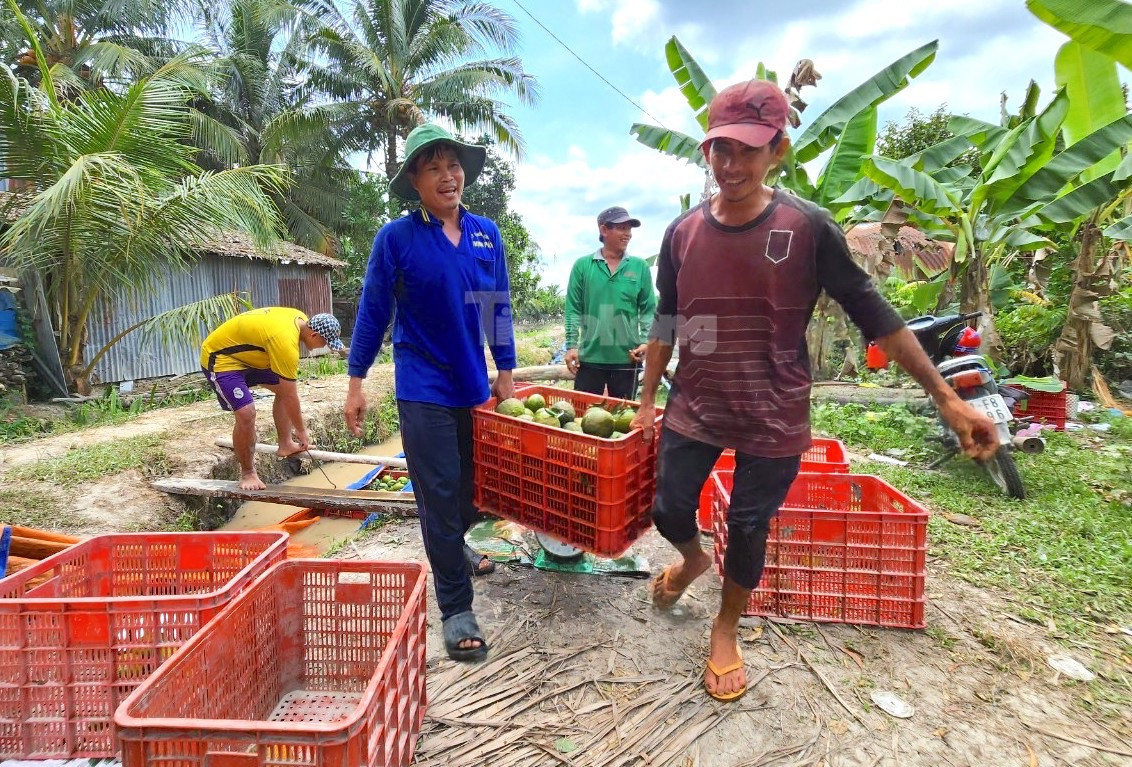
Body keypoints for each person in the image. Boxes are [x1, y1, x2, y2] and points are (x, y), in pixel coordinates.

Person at [630, 79, 999, 702]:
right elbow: (667, 316)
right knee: (668, 508)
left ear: (777, 149)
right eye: (721, 148)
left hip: (773, 411)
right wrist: (645, 400)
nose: (732, 164)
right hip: (695, 402)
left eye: (749, 150)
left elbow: (874, 313)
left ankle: (726, 628)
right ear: (707, 149)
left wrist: (947, 396)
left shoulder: (807, 226)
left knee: (748, 526)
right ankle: (692, 559)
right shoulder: (682, 232)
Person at [344, 123, 516, 663]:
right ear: (414, 180)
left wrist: (505, 371)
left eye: (454, 164)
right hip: (422, 385)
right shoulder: (397, 238)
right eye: (434, 167)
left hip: (471, 383)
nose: (449, 175)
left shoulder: (486, 232)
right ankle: (456, 607)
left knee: (472, 492)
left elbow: (497, 307)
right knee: (438, 495)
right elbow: (374, 311)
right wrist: (356, 380)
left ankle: (455, 543)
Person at [201, 307, 345, 491]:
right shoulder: (285, 343)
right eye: (326, 343)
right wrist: (301, 430)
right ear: (314, 335)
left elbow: (287, 392)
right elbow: (291, 395)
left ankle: (285, 444)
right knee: (246, 413)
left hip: (251, 357)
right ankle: (248, 473)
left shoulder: (300, 318)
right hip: (222, 358)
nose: (325, 347)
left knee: (283, 389)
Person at [564, 206, 656, 399]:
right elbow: (573, 308)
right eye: (622, 228)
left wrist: (646, 341)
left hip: (627, 359)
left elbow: (648, 309)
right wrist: (572, 345)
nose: (628, 234)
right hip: (589, 360)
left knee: (621, 421)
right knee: (584, 419)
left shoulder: (639, 267)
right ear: (604, 230)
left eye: (629, 229)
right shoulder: (583, 266)